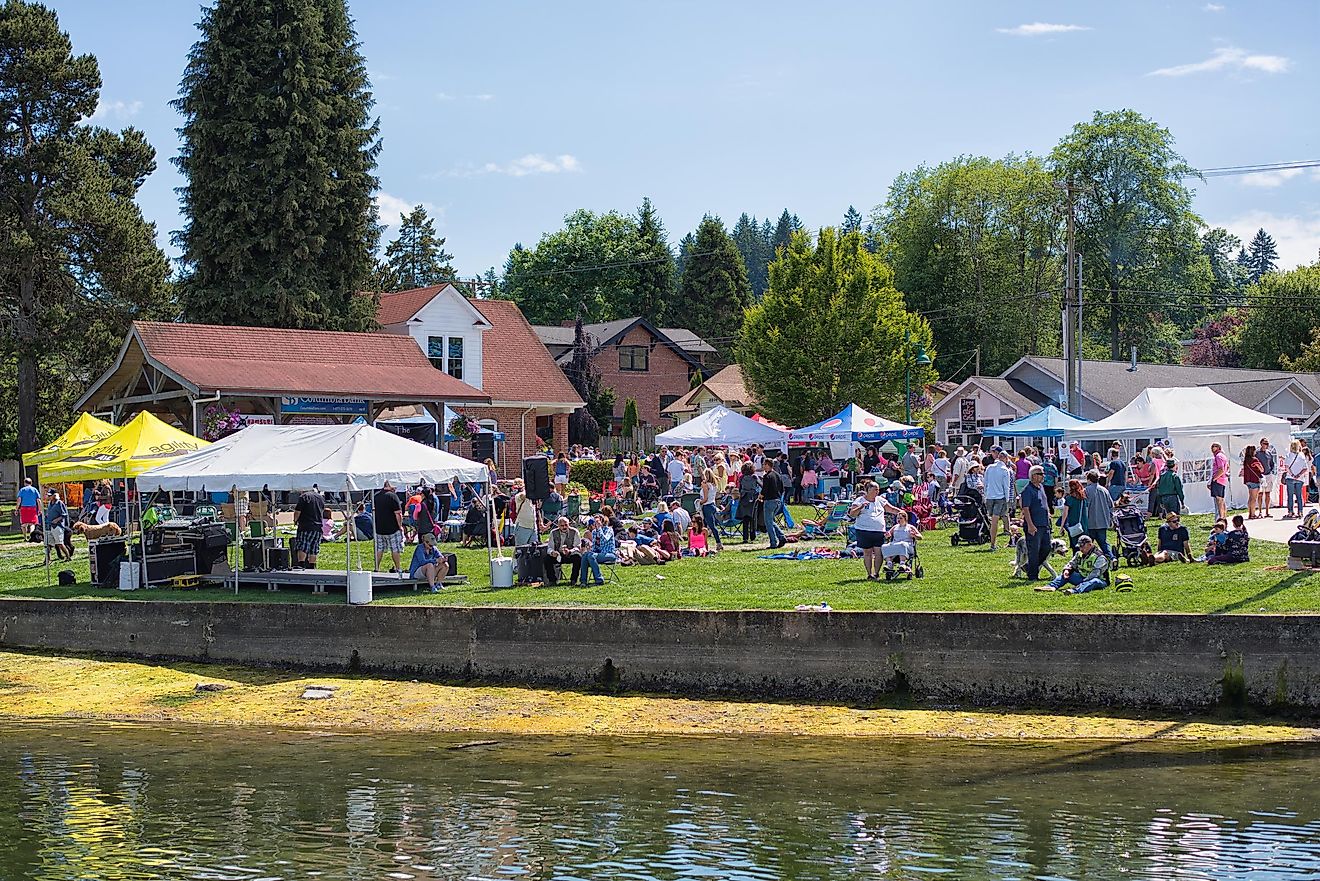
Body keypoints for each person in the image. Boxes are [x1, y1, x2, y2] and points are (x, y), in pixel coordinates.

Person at [848, 480, 904, 581]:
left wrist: (901, 512)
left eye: (878, 489)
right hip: (864, 530)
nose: (877, 492)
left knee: (879, 552)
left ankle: (876, 573)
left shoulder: (880, 500)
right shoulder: (859, 500)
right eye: (875, 489)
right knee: (867, 553)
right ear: (868, 490)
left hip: (879, 531)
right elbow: (852, 514)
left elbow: (890, 509)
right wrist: (861, 507)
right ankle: (869, 574)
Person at [1038, 534, 1109, 594]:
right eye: (1079, 547)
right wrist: (1067, 570)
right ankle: (1051, 586)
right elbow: (1071, 564)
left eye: (1082, 547)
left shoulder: (1100, 557)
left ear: (1090, 545)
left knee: (1094, 581)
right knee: (1067, 574)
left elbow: (1095, 574)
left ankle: (1075, 590)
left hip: (1100, 580)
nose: (1080, 549)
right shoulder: (1079, 553)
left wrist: (1083, 582)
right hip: (1082, 577)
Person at [1019, 465, 1051, 580]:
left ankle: (1029, 567)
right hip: (1034, 525)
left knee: (1047, 548)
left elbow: (1044, 502)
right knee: (1034, 550)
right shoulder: (1027, 490)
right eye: (1041, 474)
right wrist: (1030, 525)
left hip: (1044, 524)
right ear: (1033, 476)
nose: (1043, 476)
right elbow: (1025, 509)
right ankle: (1033, 575)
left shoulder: (1041, 487)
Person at [1082, 470, 1115, 561]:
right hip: (1103, 521)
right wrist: (1110, 518)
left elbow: (1084, 507)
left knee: (1088, 543)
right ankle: (1111, 558)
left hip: (1090, 522)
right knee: (1103, 543)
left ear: (1089, 479)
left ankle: (1088, 560)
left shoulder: (1086, 491)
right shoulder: (1105, 490)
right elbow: (1111, 505)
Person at [983, 453, 1013, 551]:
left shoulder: (989, 468)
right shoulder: (1005, 470)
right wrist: (1007, 500)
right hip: (1000, 497)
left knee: (992, 520)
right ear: (1005, 459)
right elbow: (1006, 486)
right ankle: (992, 543)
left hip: (989, 497)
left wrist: (986, 495)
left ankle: (992, 542)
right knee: (995, 521)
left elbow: (985, 483)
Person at [374, 481, 404, 572]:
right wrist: (400, 526)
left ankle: (376, 568)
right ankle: (398, 568)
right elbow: (398, 514)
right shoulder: (393, 496)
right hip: (392, 528)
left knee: (379, 549)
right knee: (395, 549)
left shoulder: (376, 496)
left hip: (379, 527)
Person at [292, 485, 325, 568]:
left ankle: (301, 565)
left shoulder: (304, 497)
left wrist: (295, 520)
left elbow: (297, 511)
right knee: (314, 549)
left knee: (302, 546)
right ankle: (311, 567)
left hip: (306, 525)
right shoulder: (320, 497)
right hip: (318, 526)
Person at [581, 514, 616, 586]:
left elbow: (604, 540)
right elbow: (594, 546)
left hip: (609, 554)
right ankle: (583, 581)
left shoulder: (609, 530)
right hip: (598, 554)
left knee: (591, 556)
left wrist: (599, 528)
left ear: (602, 521)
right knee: (585, 555)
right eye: (595, 521)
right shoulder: (594, 532)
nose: (595, 523)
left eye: (597, 521)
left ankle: (599, 580)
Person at [761, 454, 786, 549]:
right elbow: (782, 488)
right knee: (771, 521)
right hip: (778, 500)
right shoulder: (777, 475)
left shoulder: (767, 476)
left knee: (768, 523)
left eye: (764, 464)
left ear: (768, 465)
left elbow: (765, 489)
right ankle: (781, 537)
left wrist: (761, 496)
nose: (763, 466)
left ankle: (773, 542)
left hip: (769, 501)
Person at [699, 467, 724, 552]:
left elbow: (705, 499)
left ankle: (718, 543)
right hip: (713, 505)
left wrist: (699, 502)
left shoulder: (706, 485)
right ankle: (705, 543)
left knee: (711, 526)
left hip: (707, 506)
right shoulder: (714, 485)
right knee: (708, 526)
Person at [1283, 440, 1310, 519]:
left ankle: (1291, 512)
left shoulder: (1288, 455)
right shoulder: (1302, 455)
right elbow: (1305, 468)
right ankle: (1300, 511)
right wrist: (1298, 475)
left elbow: (1287, 467)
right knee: (1299, 496)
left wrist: (1292, 474)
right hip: (1300, 478)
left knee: (1290, 496)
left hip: (1290, 478)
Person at [510, 480, 539, 547]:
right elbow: (523, 495)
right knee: (520, 550)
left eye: (520, 484)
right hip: (522, 526)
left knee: (534, 549)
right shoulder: (518, 496)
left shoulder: (532, 497)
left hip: (533, 526)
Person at [737, 462, 761, 543]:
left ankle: (745, 538)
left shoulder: (741, 477)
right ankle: (752, 535)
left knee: (745, 519)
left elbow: (739, 488)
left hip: (744, 498)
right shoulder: (754, 477)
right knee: (753, 518)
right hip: (752, 498)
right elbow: (761, 484)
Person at [43, 489, 70, 563]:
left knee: (60, 543)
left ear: (54, 495)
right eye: (48, 495)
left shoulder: (60, 503)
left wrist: (57, 519)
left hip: (57, 526)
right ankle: (47, 559)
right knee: (47, 544)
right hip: (49, 526)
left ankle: (68, 556)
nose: (49, 497)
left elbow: (64, 514)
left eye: (50, 495)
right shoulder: (49, 503)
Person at [1241, 444, 1264, 520]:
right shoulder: (1254, 460)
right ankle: (1253, 514)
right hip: (1254, 480)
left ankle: (1250, 513)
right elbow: (1262, 469)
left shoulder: (1246, 460)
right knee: (1254, 498)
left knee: (1250, 497)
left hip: (1248, 480)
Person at [1209, 441, 1230, 521]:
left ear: (1218, 447)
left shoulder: (1218, 456)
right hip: (1222, 480)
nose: (1212, 448)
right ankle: (1223, 517)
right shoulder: (1223, 456)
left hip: (1218, 480)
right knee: (1221, 499)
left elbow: (1221, 469)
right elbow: (1227, 467)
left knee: (1219, 500)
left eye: (1214, 446)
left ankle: (1221, 518)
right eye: (1212, 446)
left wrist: (1214, 479)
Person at [1257, 438, 1277, 518]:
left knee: (1268, 494)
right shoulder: (1257, 453)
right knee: (1260, 494)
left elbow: (1272, 463)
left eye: (1267, 443)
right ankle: (1260, 511)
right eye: (1265, 443)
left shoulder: (1269, 453)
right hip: (1260, 475)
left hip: (1268, 475)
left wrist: (1271, 471)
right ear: (1261, 443)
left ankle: (1267, 512)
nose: (1266, 445)